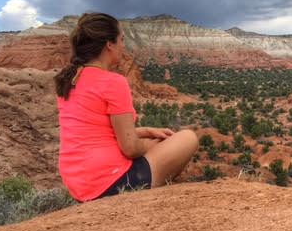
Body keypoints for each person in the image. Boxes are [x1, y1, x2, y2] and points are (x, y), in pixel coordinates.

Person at [54, 12, 198, 202]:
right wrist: (151, 145)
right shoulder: (113, 82)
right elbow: (130, 148)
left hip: (79, 185)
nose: (124, 46)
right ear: (109, 44)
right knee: (188, 138)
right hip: (111, 185)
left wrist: (145, 131)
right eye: (121, 40)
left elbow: (97, 133)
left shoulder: (69, 80)